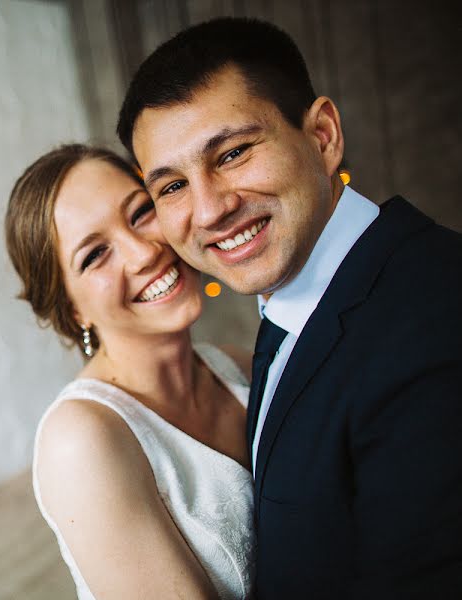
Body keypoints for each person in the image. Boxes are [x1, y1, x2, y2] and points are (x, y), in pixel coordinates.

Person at [116, 17, 462, 598]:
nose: (209, 211)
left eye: (232, 154)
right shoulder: (298, 302)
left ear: (322, 135)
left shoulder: (430, 333)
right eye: (171, 186)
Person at [5, 144, 255, 599]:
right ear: (72, 309)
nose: (143, 253)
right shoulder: (81, 441)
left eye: (140, 212)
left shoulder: (237, 366)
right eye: (95, 254)